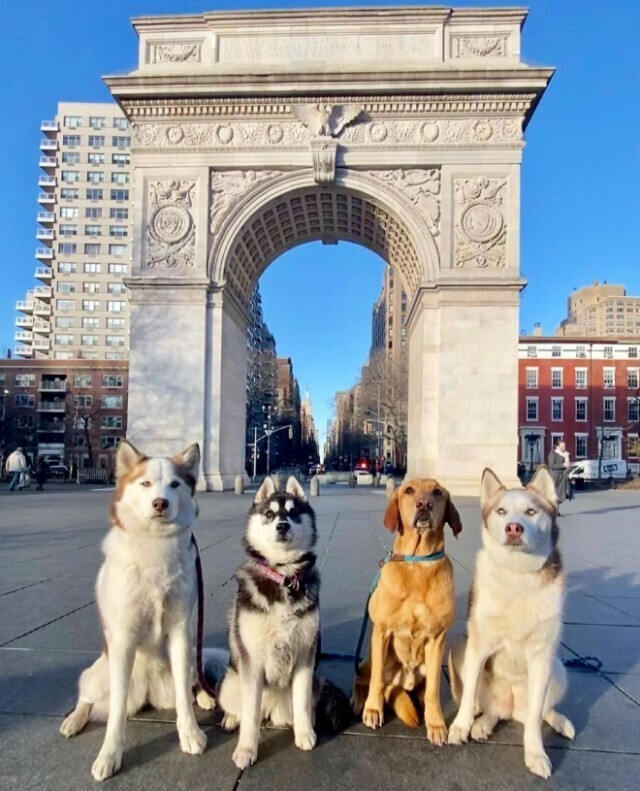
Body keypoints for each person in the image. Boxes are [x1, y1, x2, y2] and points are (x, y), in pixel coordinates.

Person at [548, 439, 570, 511]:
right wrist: (563, 465)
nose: (564, 447)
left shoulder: (565, 454)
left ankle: (556, 510)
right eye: (562, 446)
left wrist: (567, 464)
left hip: (562, 476)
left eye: (564, 445)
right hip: (554, 476)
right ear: (558, 446)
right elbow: (551, 465)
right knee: (553, 494)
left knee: (560, 495)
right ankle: (551, 510)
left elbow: (565, 464)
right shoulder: (553, 454)